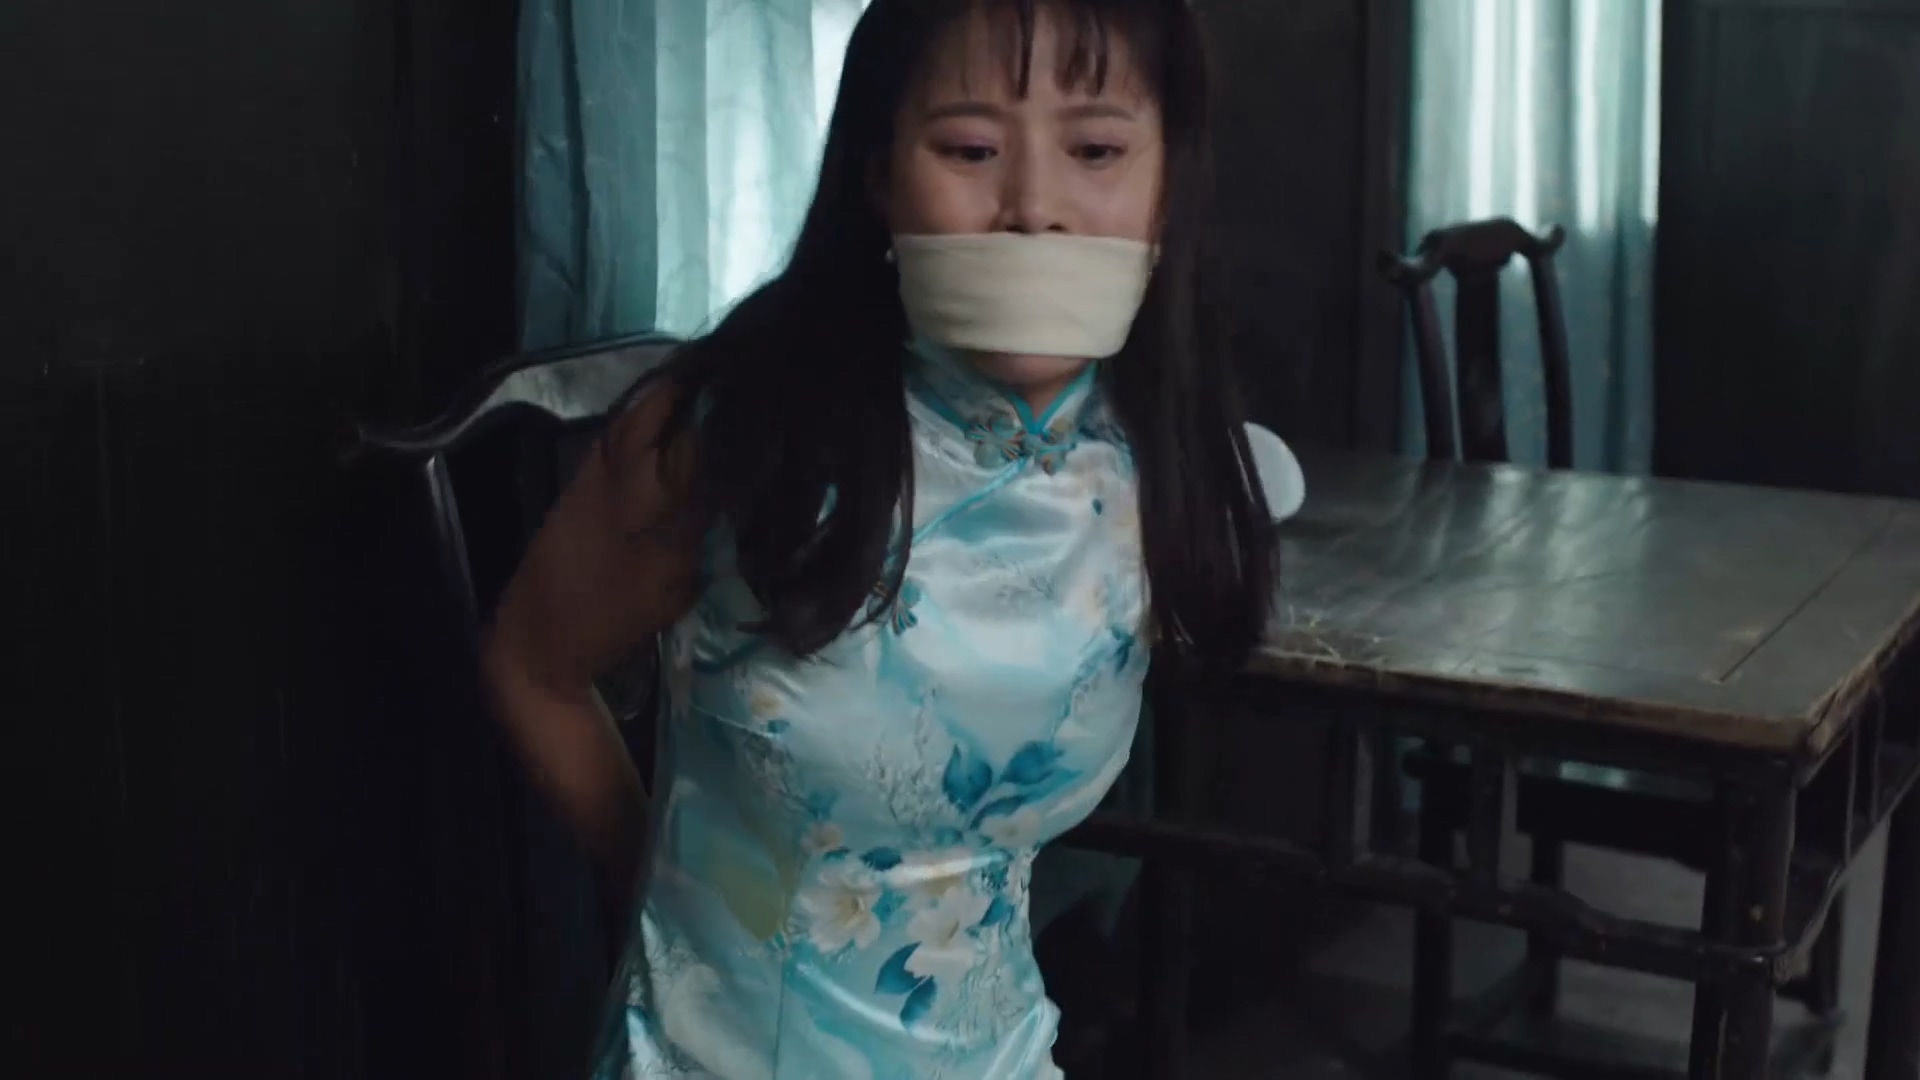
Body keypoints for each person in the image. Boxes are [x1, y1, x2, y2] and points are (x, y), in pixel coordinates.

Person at [481, 0, 1300, 1075]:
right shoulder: (736, 436)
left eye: (1096, 151)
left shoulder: (1164, 466)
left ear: (1168, 189)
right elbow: (532, 665)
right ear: (880, 176)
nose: (1034, 207)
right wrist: (670, 901)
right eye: (970, 149)